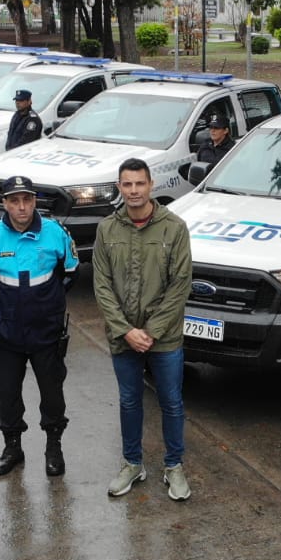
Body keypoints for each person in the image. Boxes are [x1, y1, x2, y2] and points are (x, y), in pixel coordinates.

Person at [92, 159, 194, 501]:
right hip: (123, 338)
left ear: (150, 185)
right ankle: (133, 463)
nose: (133, 190)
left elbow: (180, 285)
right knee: (129, 400)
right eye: (127, 184)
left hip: (164, 338)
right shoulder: (107, 229)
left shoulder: (174, 228)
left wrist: (150, 331)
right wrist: (126, 331)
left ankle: (174, 466)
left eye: (139, 183)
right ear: (119, 187)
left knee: (171, 402)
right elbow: (102, 285)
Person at [0, 175, 79, 478]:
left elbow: (70, 273)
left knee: (52, 393)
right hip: (8, 335)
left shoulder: (55, 233)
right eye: (14, 201)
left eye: (27, 200)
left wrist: (46, 304)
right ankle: (12, 448)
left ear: (34, 202)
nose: (21, 207)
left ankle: (53, 448)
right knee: (7, 392)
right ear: (4, 203)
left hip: (46, 333)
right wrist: (3, 311)